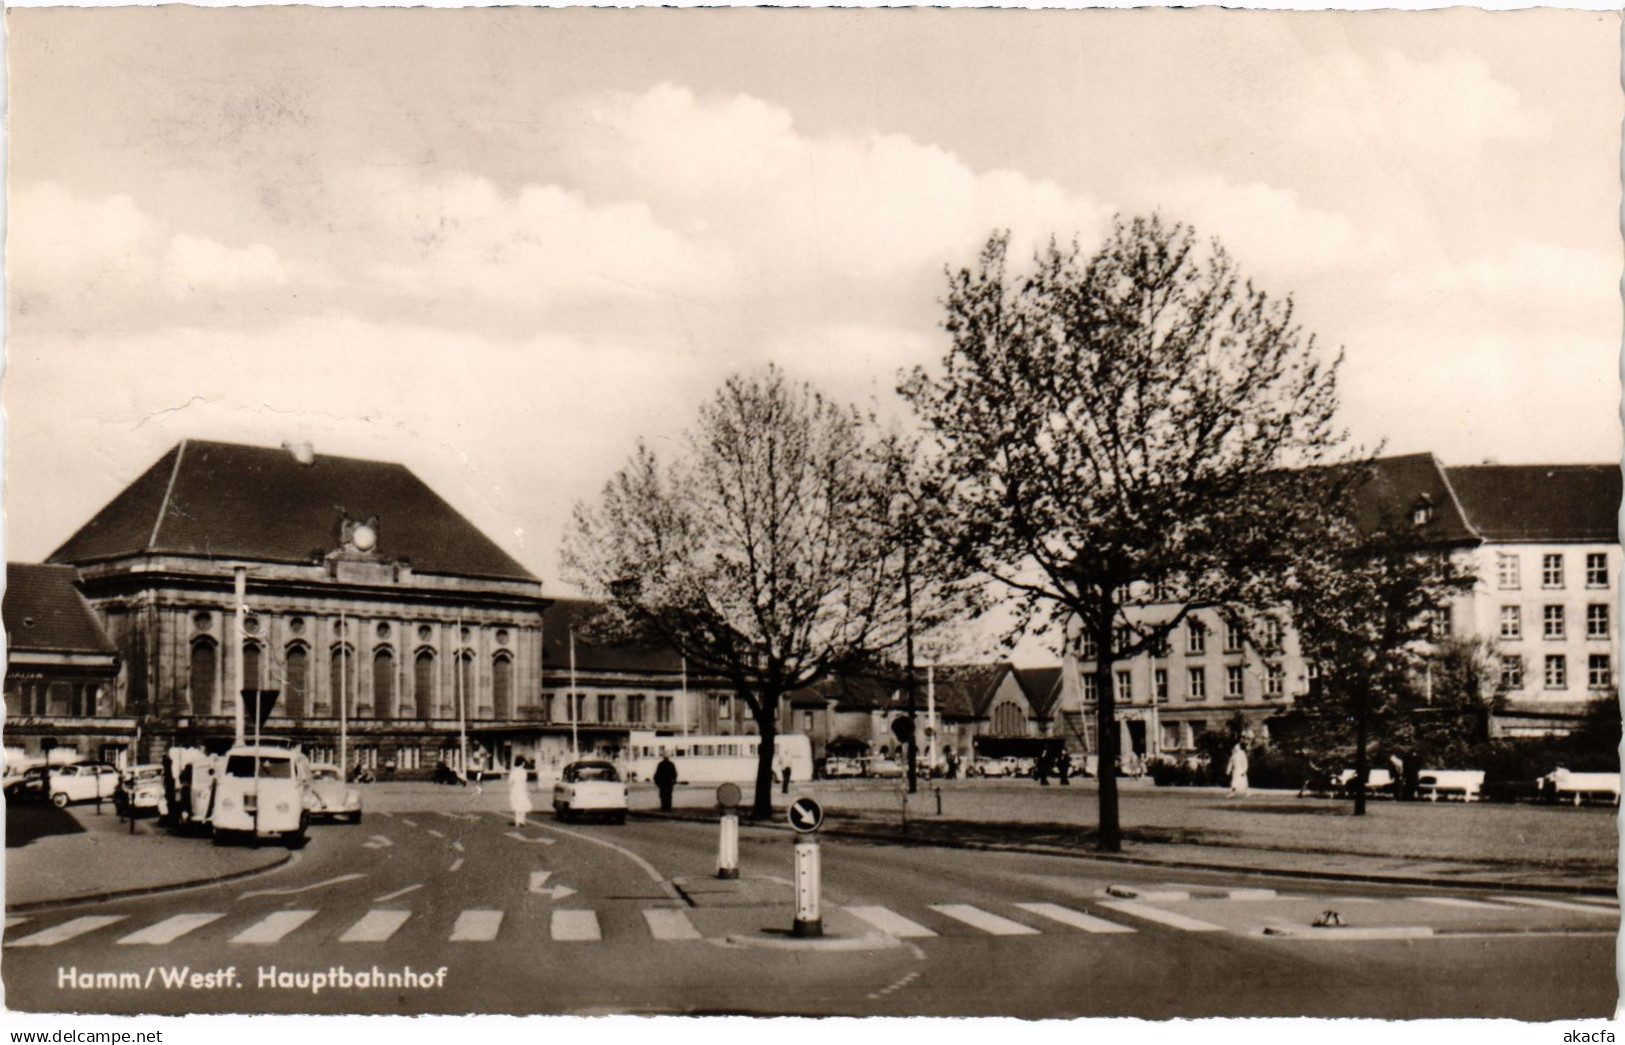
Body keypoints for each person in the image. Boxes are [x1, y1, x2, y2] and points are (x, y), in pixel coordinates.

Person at [507, 759, 532, 828]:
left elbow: (510, 782)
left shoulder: (513, 771)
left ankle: (517, 821)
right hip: (522, 789)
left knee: (517, 805)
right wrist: (527, 791)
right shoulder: (523, 771)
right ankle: (522, 821)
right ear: (522, 763)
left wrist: (511, 790)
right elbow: (524, 782)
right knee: (523, 804)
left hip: (515, 789)